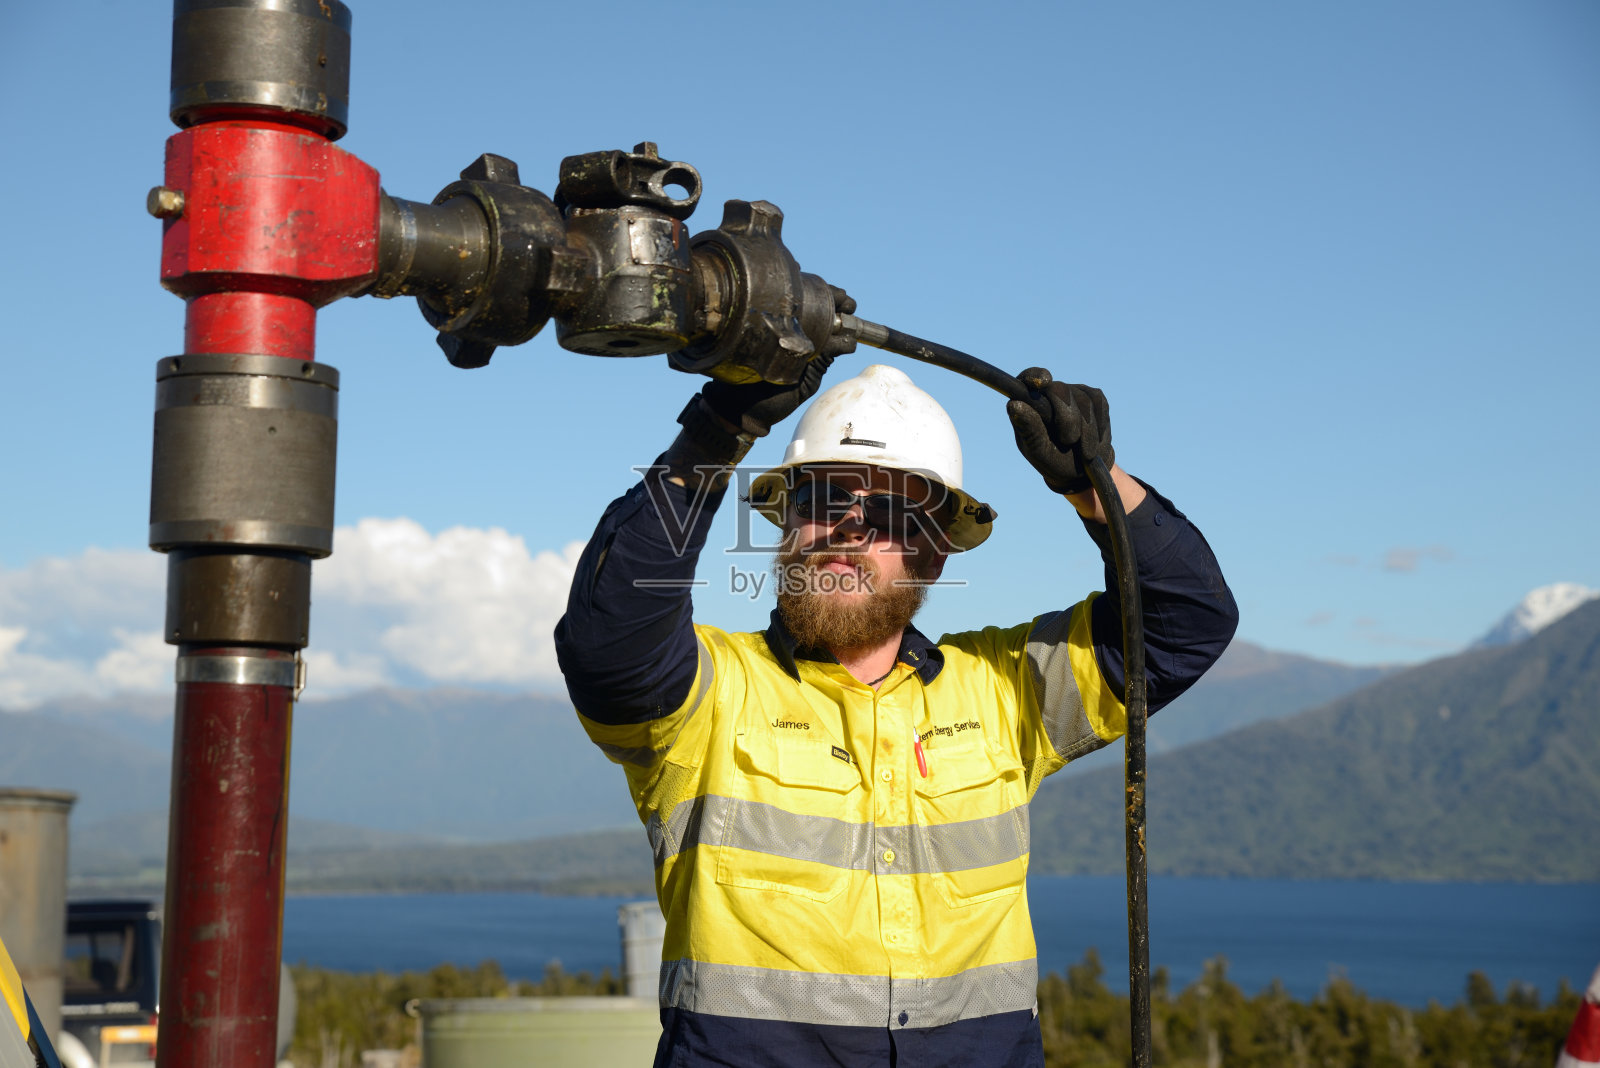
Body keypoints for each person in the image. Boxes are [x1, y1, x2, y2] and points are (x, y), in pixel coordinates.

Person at [555, 359, 1238, 1068]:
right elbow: (609, 638)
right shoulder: (711, 694)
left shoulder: (1005, 689)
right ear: (785, 523)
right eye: (823, 498)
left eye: (887, 513)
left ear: (934, 552)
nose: (850, 529)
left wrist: (1094, 486)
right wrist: (717, 429)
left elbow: (1185, 621)